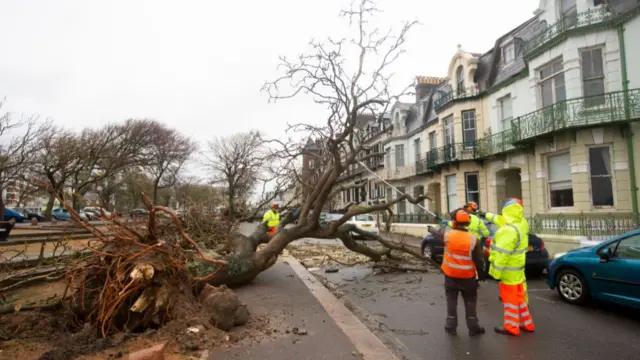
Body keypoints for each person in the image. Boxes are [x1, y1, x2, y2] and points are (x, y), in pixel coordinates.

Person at [483, 199, 535, 336]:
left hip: (508, 271)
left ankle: (511, 327)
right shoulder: (521, 223)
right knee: (520, 298)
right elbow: (499, 219)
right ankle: (527, 324)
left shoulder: (507, 231)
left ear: (506, 211)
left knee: (510, 301)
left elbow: (502, 255)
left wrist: (495, 274)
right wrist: (485, 214)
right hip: (518, 268)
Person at [441, 209, 486, 337]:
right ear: (468, 223)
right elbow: (478, 259)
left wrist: (434, 229)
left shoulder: (447, 235)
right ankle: (473, 327)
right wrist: (482, 274)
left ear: (454, 222)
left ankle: (451, 326)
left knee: (451, 300)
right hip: (467, 277)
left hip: (450, 275)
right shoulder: (473, 239)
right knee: (470, 301)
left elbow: (437, 234)